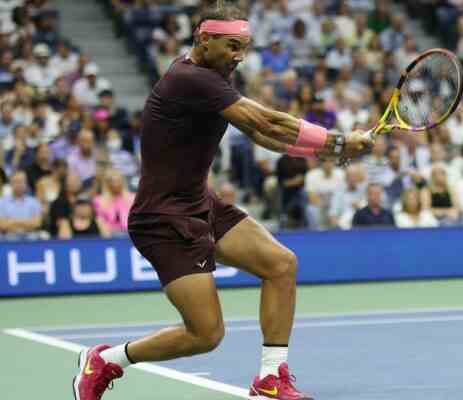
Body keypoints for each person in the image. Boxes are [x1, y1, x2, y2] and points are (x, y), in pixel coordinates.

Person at [72, 4, 373, 400]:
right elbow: (264, 121)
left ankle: (270, 379)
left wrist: (329, 154)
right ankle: (106, 359)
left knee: (281, 264)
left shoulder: (213, 80)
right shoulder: (189, 79)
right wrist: (338, 141)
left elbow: (263, 136)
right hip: (164, 220)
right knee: (206, 334)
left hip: (201, 203)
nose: (239, 55)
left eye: (244, 47)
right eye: (232, 46)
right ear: (204, 39)